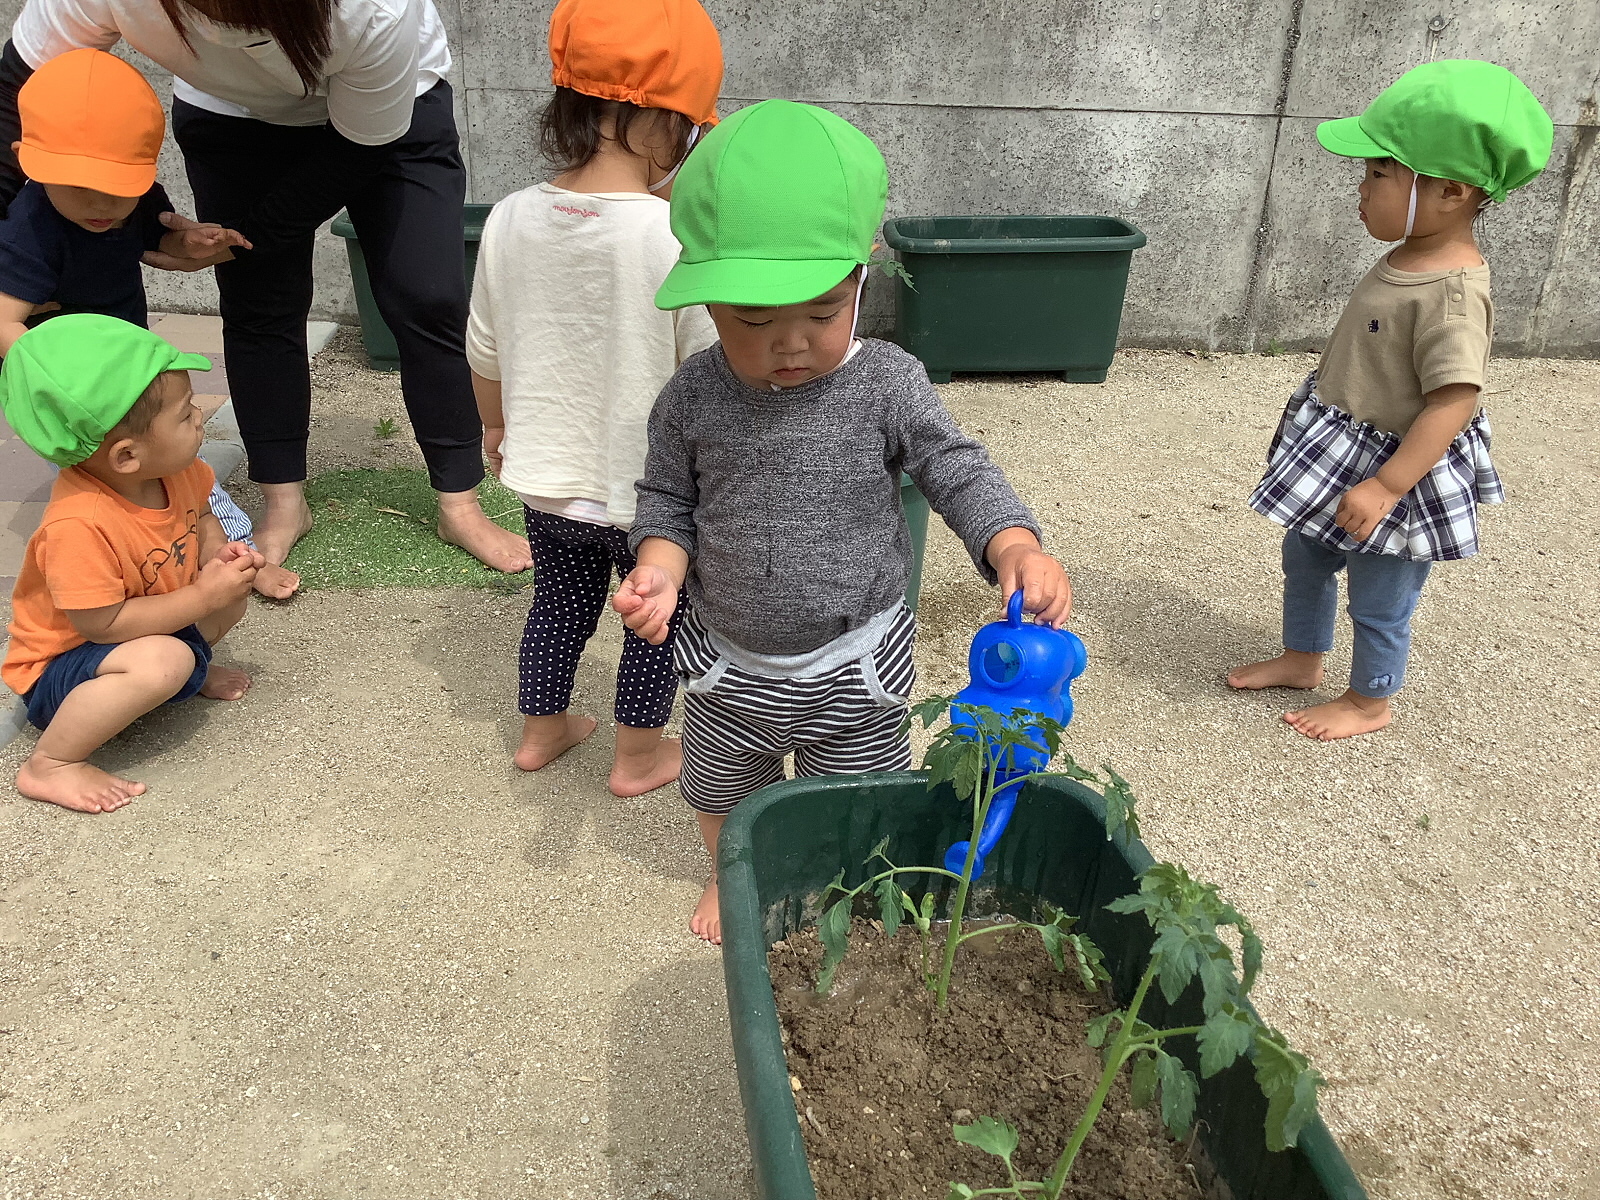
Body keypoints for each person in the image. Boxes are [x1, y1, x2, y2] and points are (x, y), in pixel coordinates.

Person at [612, 100, 1073, 943]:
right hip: (729, 660)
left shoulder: (887, 383)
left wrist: (1012, 540)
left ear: (862, 277)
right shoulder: (690, 398)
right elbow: (668, 501)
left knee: (860, 791)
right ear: (707, 298)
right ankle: (736, 877)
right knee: (722, 790)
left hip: (856, 658)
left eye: (820, 313)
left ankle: (846, 881)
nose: (789, 341)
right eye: (754, 319)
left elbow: (953, 464)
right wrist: (660, 571)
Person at [0, 0, 530, 578]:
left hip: (391, 113)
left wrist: (247, 236)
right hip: (232, 118)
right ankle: (284, 499)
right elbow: (15, 90)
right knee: (259, 306)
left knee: (426, 297)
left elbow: (358, 152)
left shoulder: (372, 11)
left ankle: (460, 502)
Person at [1228, 61, 1552, 741]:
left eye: (1380, 173)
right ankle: (1302, 656)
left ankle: (1371, 700)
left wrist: (1386, 485)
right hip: (1345, 444)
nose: (1362, 186)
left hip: (1397, 465)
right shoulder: (1410, 254)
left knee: (1381, 590)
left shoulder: (1456, 295)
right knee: (1307, 555)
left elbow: (1453, 401)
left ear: (1451, 191)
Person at [467, 0, 720, 795]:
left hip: (547, 480)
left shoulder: (510, 218)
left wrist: (496, 425)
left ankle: (544, 731)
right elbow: (703, 369)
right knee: (653, 621)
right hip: (646, 493)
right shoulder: (673, 238)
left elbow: (484, 345)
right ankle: (638, 755)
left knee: (557, 606)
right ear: (670, 123)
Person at [0, 47, 298, 599]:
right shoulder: (32, 227)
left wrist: (188, 239)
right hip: (85, 394)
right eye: (79, 186)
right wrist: (66, 386)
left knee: (176, 459)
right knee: (121, 482)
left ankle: (227, 555)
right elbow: (5, 320)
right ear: (27, 161)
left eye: (120, 187)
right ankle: (133, 575)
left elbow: (155, 237)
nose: (101, 204)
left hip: (132, 364)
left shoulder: (126, 201)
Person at [2, 314, 262, 814]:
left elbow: (204, 515)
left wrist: (216, 557)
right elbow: (102, 624)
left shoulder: (182, 470)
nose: (201, 417)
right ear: (126, 456)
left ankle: (190, 668)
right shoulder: (78, 526)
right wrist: (204, 595)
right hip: (65, 666)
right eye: (185, 416)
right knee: (166, 658)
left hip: (146, 625)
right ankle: (53, 762)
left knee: (225, 600)